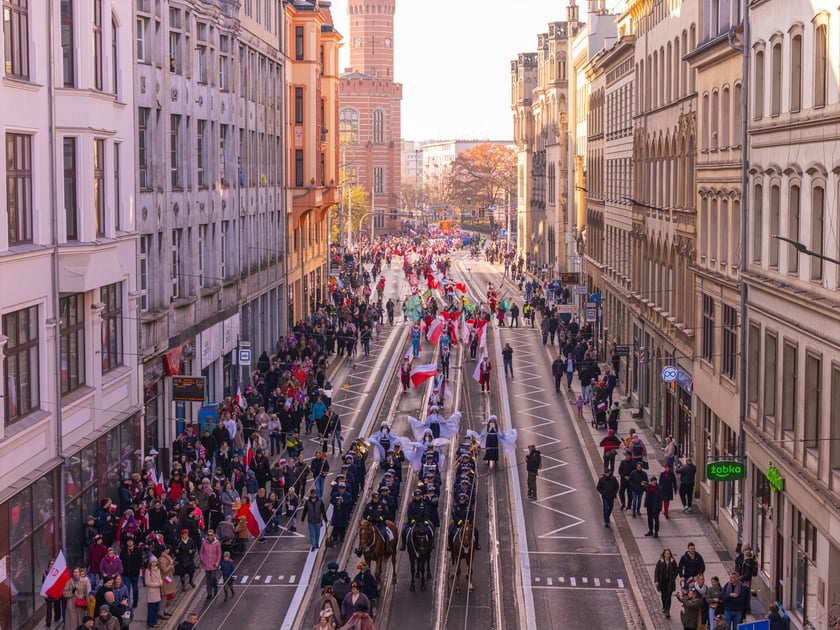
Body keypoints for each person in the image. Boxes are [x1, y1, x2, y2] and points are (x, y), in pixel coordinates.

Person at [654, 548, 679, 619]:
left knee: (669, 596)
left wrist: (673, 577)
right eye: (666, 553)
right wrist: (656, 581)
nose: (667, 555)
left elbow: (676, 570)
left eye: (668, 553)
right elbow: (657, 571)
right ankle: (664, 606)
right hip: (662, 581)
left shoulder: (672, 562)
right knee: (663, 595)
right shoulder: (660, 561)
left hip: (670, 581)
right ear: (664, 554)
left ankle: (668, 610)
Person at [200, 528, 222, 600]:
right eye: (208, 535)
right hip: (206, 564)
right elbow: (201, 552)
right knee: (208, 579)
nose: (210, 536)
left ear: (213, 535)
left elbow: (219, 553)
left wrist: (217, 562)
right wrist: (202, 559)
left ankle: (215, 587)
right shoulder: (204, 542)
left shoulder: (217, 543)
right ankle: (209, 593)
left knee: (213, 577)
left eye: (211, 535)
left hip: (213, 564)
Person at [42, 559, 63, 628]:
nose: (51, 565)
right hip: (49, 592)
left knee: (57, 605)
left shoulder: (58, 572)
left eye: (53, 563)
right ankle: (48, 621)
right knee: (49, 608)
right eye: (50, 563)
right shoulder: (45, 572)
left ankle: (57, 617)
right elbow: (43, 582)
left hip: (56, 592)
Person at [144, 556, 163, 628]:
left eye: (155, 562)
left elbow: (160, 578)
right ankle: (152, 622)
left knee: (156, 607)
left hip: (157, 591)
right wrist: (156, 584)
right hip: (152, 591)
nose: (154, 563)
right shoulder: (148, 571)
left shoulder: (158, 569)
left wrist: (161, 582)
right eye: (152, 562)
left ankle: (153, 621)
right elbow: (147, 582)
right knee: (152, 608)